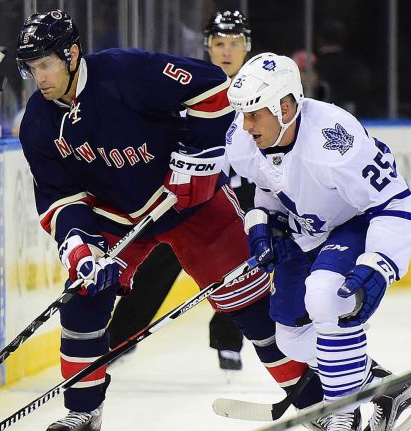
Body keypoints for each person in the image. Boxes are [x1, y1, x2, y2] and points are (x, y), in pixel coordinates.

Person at [16, 10, 323, 431]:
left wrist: (196, 160)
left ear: (71, 54)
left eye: (46, 64)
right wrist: (81, 249)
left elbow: (214, 88)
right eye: (33, 68)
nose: (40, 77)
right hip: (116, 215)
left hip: (190, 206)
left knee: (253, 309)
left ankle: (320, 403)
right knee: (83, 298)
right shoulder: (37, 121)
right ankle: (84, 411)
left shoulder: (126, 71)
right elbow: (59, 198)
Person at [225, 52, 411, 430]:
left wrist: (381, 263)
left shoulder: (334, 139)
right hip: (305, 231)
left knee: (326, 297)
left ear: (285, 107)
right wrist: (263, 225)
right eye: (243, 114)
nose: (246, 124)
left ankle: (342, 414)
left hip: (354, 223)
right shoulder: (245, 141)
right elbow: (267, 186)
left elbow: (394, 201)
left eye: (254, 113)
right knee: (291, 338)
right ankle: (387, 388)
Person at [106, 9, 255, 373]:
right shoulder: (192, 84)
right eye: (219, 43)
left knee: (240, 263)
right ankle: (120, 338)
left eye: (234, 43)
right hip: (194, 192)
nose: (226, 51)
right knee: (159, 261)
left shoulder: (259, 87)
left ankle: (229, 341)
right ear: (207, 47)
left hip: (244, 192)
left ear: (247, 47)